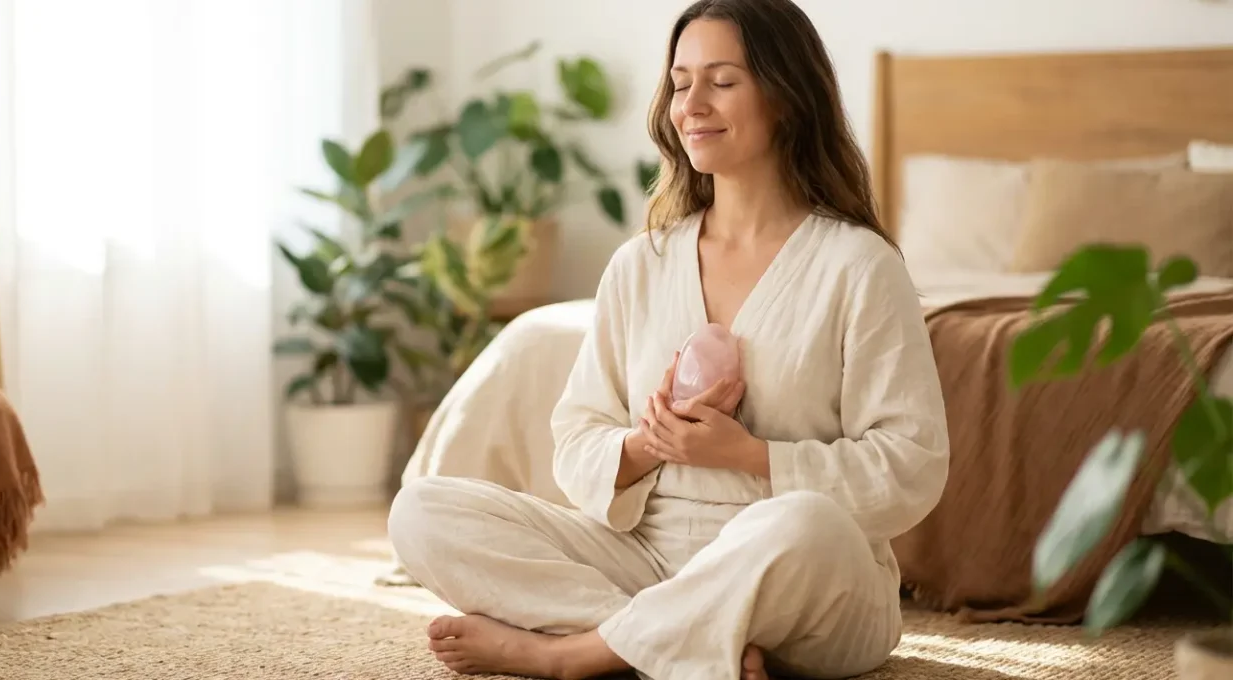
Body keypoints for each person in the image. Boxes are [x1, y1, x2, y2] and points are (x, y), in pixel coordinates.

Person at [387, 0, 949, 678]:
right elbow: (576, 435)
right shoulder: (641, 263)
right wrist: (645, 444)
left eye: (723, 81)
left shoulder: (860, 266)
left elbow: (911, 463)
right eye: (681, 83)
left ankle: (574, 654)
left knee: (807, 522)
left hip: (802, 576)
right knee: (422, 509)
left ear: (787, 97)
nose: (692, 105)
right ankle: (690, 638)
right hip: (643, 561)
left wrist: (751, 456)